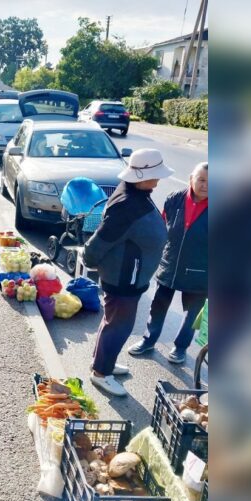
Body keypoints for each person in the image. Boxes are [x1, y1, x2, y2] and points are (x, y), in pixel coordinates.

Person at [82, 148, 173, 396]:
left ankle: (102, 363)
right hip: (123, 278)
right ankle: (101, 373)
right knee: (119, 326)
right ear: (141, 175)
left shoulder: (137, 192)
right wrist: (88, 258)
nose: (158, 180)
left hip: (128, 275)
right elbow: (102, 239)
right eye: (155, 176)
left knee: (112, 322)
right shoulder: (127, 204)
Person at [129, 162, 208, 364]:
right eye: (201, 180)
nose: (206, 185)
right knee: (158, 306)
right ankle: (148, 341)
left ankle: (181, 348)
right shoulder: (175, 199)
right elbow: (162, 226)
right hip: (170, 264)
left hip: (200, 270)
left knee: (192, 316)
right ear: (191, 178)